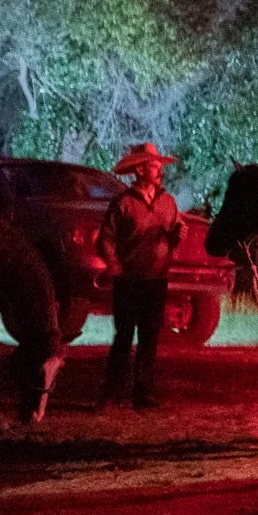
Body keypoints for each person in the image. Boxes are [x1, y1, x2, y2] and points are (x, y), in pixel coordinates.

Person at [96, 143, 185, 410]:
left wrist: (177, 236)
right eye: (154, 166)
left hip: (157, 280)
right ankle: (112, 390)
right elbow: (106, 239)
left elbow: (174, 235)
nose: (160, 171)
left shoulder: (168, 202)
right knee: (124, 336)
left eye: (159, 166)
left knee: (150, 337)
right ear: (140, 170)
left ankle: (143, 391)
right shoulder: (123, 203)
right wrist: (114, 265)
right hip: (129, 280)